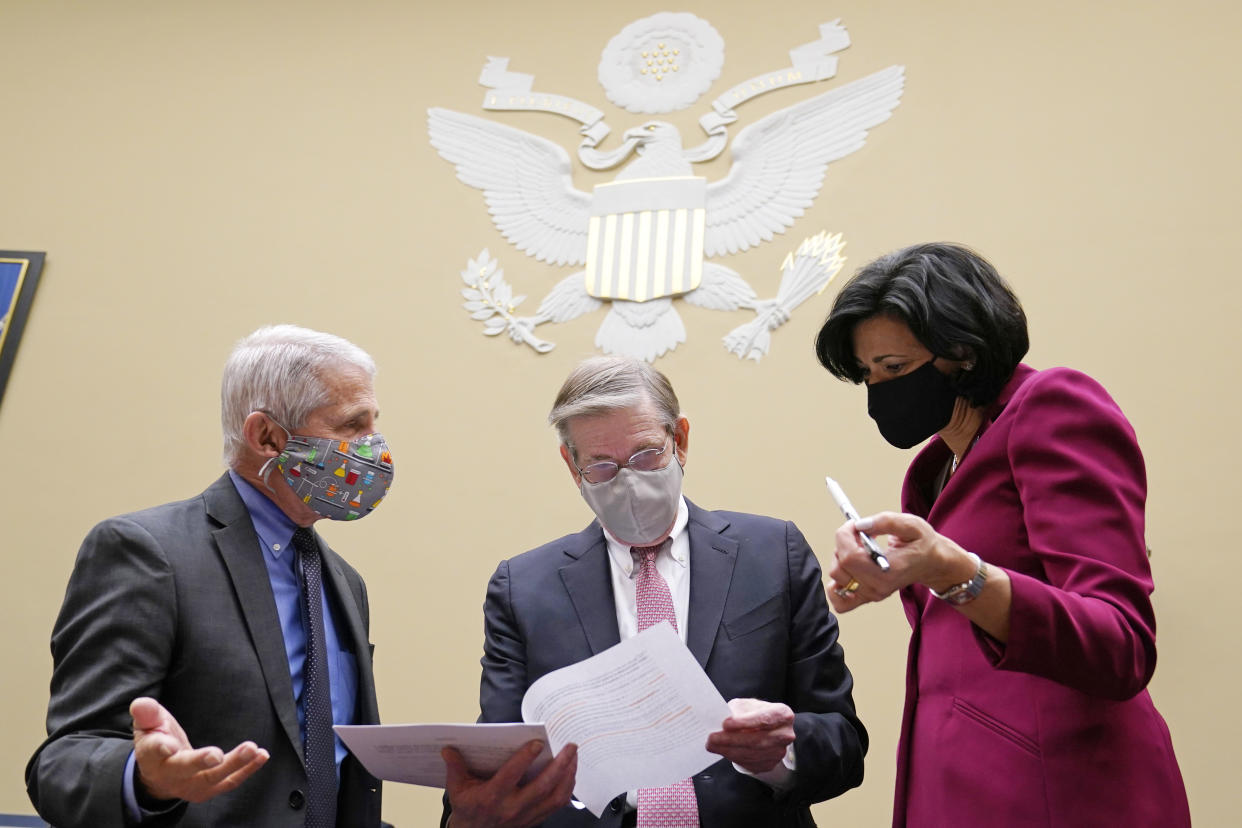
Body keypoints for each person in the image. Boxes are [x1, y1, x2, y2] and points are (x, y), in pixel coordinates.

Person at [813, 242, 1190, 827]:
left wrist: (955, 571)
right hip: (953, 793)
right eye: (867, 375)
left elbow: (1121, 645)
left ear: (963, 352)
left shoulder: (1053, 408)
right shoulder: (934, 473)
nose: (878, 392)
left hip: (1060, 795)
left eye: (894, 369)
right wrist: (896, 569)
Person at [443, 355, 867, 828]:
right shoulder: (522, 588)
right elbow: (498, 763)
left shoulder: (773, 554)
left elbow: (844, 742)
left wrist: (781, 751)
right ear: (571, 464)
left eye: (646, 455)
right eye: (602, 467)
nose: (629, 481)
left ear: (679, 440)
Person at [27, 325, 396, 827]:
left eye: (373, 424)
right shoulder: (146, 551)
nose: (373, 447)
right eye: (352, 425)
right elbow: (64, 762)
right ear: (267, 436)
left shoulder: (344, 582)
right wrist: (146, 779)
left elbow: (327, 777)